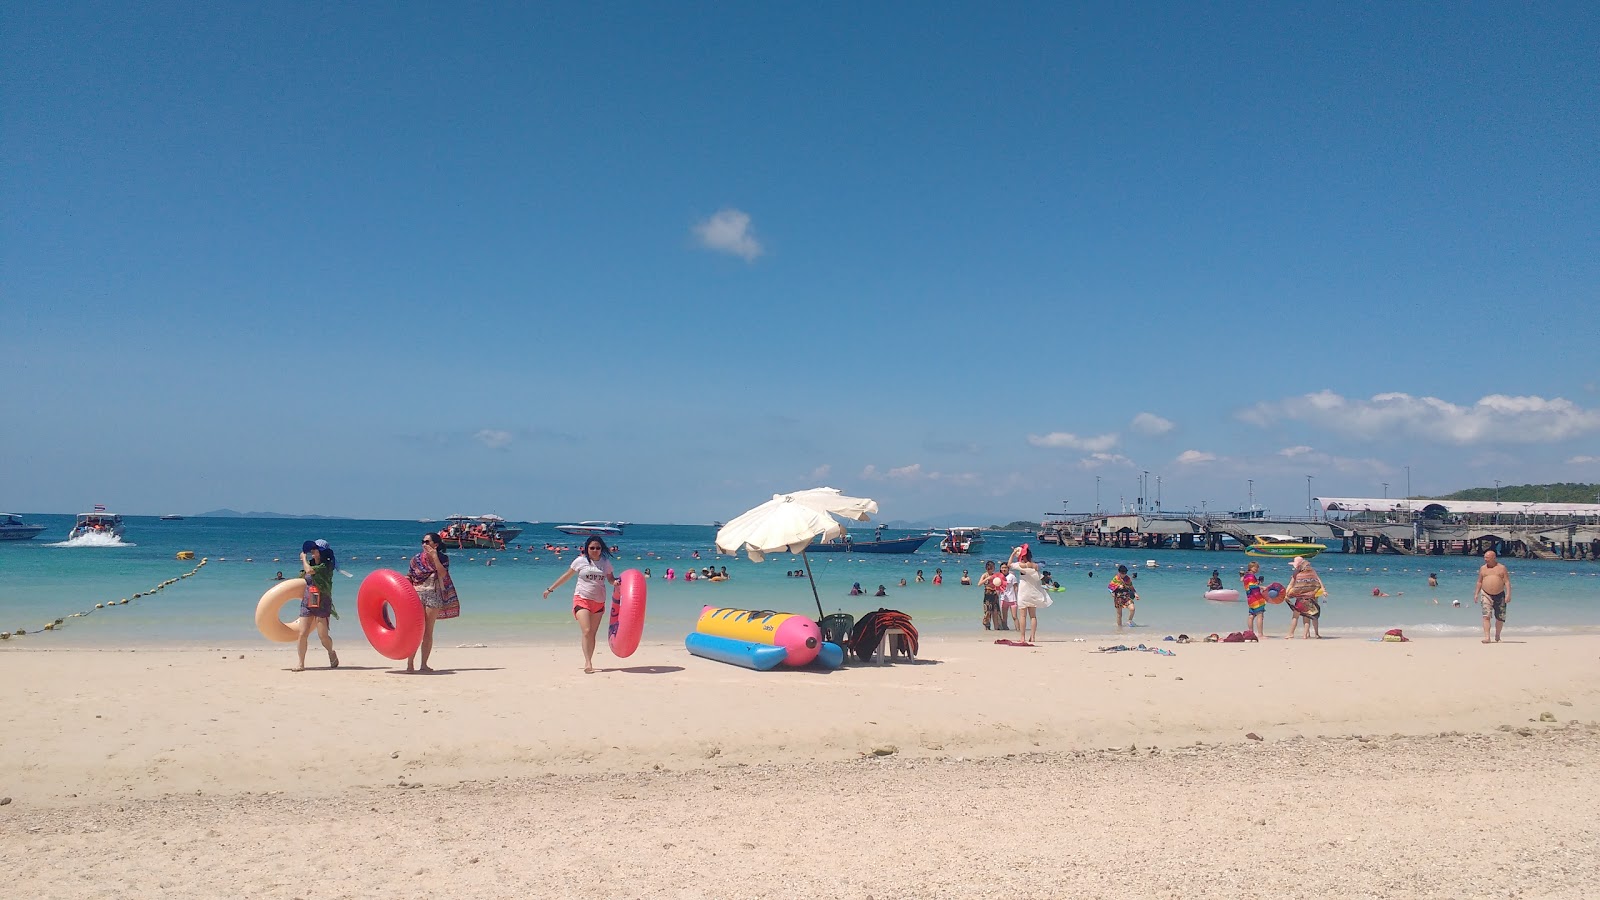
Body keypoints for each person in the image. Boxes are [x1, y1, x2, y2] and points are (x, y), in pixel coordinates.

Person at [541, 536, 619, 673]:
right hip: (581, 599)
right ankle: (588, 663)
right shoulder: (580, 561)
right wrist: (550, 589)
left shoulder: (605, 563)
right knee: (587, 630)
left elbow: (611, 579)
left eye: (598, 548)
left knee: (592, 634)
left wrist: (616, 583)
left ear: (602, 549)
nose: (595, 550)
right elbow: (567, 575)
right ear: (586, 549)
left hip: (599, 601)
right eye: (592, 548)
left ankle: (590, 659)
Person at [406, 533, 458, 673]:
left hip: (433, 594)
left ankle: (424, 664)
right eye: (422, 541)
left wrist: (435, 557)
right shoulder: (416, 559)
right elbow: (410, 576)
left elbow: (442, 574)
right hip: (416, 595)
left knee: (428, 631)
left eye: (427, 542)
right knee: (415, 630)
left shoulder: (443, 558)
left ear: (435, 544)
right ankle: (410, 664)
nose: (424, 544)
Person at [292, 540, 338, 672]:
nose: (312, 551)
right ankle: (300, 664)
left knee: (323, 636)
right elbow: (303, 576)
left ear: (321, 552)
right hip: (308, 601)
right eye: (311, 549)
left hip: (323, 602)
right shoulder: (311, 563)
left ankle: (331, 652)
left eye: (315, 549)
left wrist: (303, 558)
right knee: (302, 633)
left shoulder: (326, 566)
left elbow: (310, 571)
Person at [1009, 545, 1051, 644]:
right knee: (1033, 616)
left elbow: (1009, 564)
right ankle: (1032, 637)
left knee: (1022, 616)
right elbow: (1041, 566)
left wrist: (1013, 553)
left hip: (1023, 592)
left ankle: (1022, 637)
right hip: (1033, 592)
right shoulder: (1035, 566)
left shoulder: (1020, 565)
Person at [1473, 550, 1511, 644]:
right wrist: (1476, 593)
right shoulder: (1483, 568)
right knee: (1486, 616)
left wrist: (1508, 594)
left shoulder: (1501, 568)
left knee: (1500, 617)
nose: (1485, 559)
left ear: (1494, 557)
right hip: (1486, 594)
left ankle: (1497, 636)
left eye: (1487, 558)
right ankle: (1487, 637)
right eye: (1485, 557)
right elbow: (1479, 581)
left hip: (1500, 594)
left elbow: (1507, 582)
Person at [1283, 557, 1325, 639]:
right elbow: (1317, 583)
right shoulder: (1312, 572)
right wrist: (1322, 590)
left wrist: (1287, 594)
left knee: (1295, 616)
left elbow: (1291, 585)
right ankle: (1305, 635)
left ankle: (1291, 633)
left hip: (1300, 599)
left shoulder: (1296, 573)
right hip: (1310, 598)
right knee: (1307, 617)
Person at [1241, 561, 1266, 637]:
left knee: (1251, 615)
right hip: (1256, 598)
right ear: (1251, 568)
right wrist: (1262, 587)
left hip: (1250, 598)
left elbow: (1249, 586)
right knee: (1260, 615)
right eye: (1256, 567)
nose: (1257, 569)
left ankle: (1251, 633)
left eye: (1258, 567)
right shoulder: (1251, 576)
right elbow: (1252, 586)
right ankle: (1260, 634)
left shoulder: (1246, 576)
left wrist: (1258, 583)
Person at [978, 561, 1000, 630]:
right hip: (987, 594)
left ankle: (996, 628)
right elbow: (979, 584)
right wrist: (987, 578)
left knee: (995, 612)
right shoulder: (984, 575)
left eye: (992, 568)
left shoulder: (995, 575)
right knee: (987, 612)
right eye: (989, 568)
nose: (990, 569)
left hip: (994, 594)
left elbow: (999, 584)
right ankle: (987, 629)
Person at [998, 562, 1018, 629]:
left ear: (1008, 568)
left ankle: (1018, 631)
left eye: (1005, 568)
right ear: (1000, 569)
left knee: (1014, 617)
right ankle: (1006, 632)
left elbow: (1015, 587)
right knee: (1004, 618)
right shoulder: (999, 577)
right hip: (1003, 599)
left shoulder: (1012, 576)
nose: (1004, 569)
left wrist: (1017, 597)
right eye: (1002, 568)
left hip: (1012, 599)